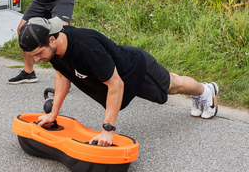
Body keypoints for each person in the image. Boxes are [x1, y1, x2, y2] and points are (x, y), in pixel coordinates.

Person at [18, 17, 219, 146]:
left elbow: (116, 85)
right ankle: (201, 93)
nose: (36, 60)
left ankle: (205, 91)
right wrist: (53, 114)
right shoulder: (53, 51)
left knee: (172, 86)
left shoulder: (86, 48)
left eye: (37, 54)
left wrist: (107, 129)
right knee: (172, 83)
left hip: (135, 70)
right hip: (117, 69)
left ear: (52, 39)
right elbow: (63, 75)